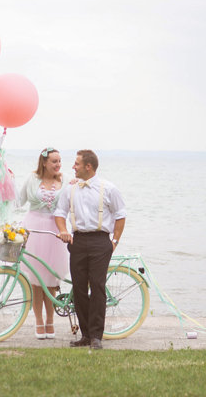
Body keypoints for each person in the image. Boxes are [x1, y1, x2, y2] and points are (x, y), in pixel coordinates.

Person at [54, 149, 126, 350]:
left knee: (97, 287)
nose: (73, 167)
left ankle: (96, 336)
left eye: (76, 164)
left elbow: (121, 215)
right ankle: (85, 335)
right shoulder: (69, 190)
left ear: (88, 166)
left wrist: (115, 241)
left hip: (100, 241)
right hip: (77, 241)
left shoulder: (109, 188)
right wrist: (63, 230)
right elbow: (59, 213)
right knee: (78, 288)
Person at [19, 147, 70, 339]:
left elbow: (70, 203)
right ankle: (38, 321)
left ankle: (51, 320)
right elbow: (19, 200)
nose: (58, 165)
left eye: (59, 161)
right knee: (35, 279)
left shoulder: (64, 181)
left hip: (55, 229)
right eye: (54, 161)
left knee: (51, 279)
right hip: (34, 228)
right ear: (44, 163)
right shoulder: (32, 179)